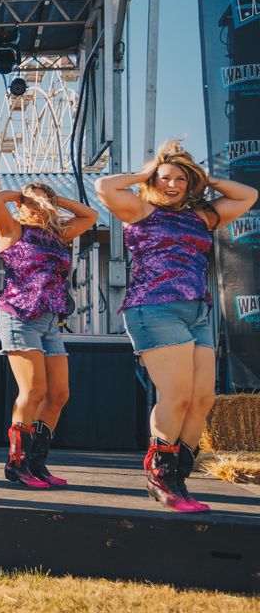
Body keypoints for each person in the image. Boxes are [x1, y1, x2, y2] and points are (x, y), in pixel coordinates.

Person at [96, 140, 256, 512]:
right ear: (153, 180)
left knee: (203, 399)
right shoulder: (139, 209)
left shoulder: (202, 216)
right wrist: (149, 172)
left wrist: (204, 177)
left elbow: (247, 195)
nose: (173, 185)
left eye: (180, 180)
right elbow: (105, 187)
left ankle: (179, 477)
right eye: (166, 178)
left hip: (198, 312)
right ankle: (160, 475)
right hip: (154, 309)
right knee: (178, 397)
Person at [0, 184, 97, 488]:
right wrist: (23, 197)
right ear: (21, 206)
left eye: (43, 203)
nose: (37, 207)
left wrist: (52, 201)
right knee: (33, 391)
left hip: (50, 322)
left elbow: (91, 215)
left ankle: (36, 462)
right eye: (31, 203)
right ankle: (16, 463)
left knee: (59, 393)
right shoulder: (12, 230)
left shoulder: (58, 234)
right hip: (19, 317)